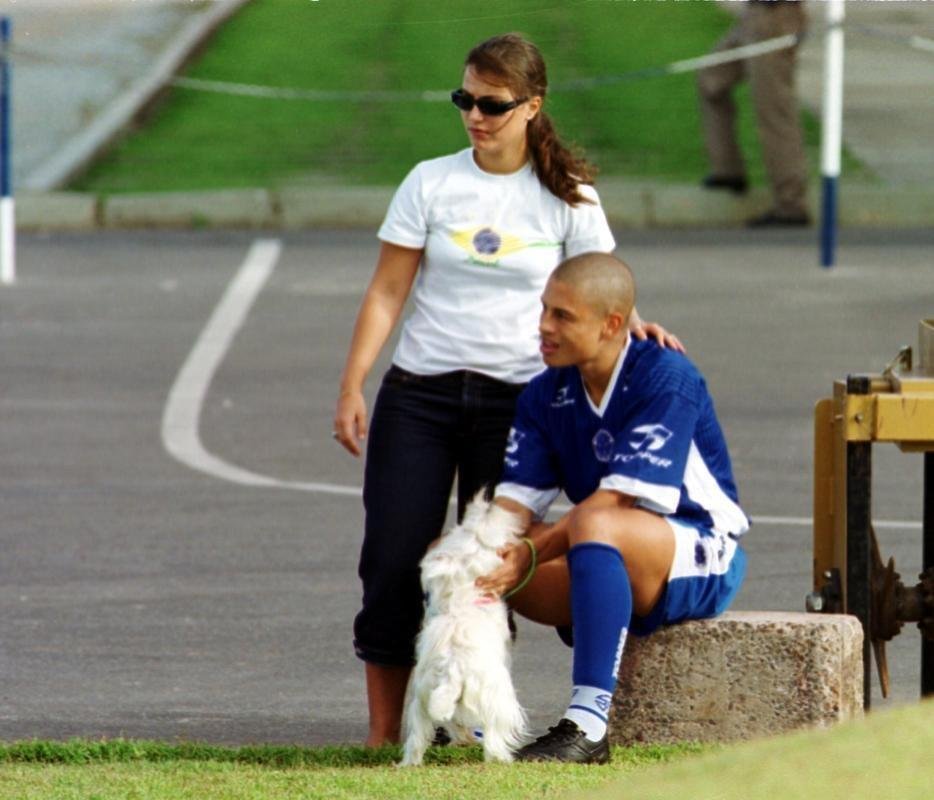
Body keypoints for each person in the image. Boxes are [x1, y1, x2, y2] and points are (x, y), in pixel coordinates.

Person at [333, 33, 682, 747]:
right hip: (420, 395)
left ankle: (484, 714)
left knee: (494, 566)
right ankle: (387, 732)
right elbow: (387, 290)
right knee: (395, 558)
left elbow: (601, 293)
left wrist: (640, 331)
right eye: (465, 100)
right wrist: (353, 383)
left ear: (531, 106)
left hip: (523, 406)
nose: (475, 116)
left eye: (492, 104)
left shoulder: (568, 199)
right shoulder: (430, 181)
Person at [477, 251, 748, 764]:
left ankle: (588, 724)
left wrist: (526, 554)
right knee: (463, 551)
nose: (544, 326)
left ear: (612, 325)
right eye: (543, 310)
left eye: (562, 316)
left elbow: (611, 503)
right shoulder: (543, 393)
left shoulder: (665, 375)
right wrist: (481, 550)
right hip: (601, 552)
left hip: (697, 551)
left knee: (594, 521)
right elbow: (511, 509)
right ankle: (469, 715)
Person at [697, 0, 810, 227]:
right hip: (754, 14)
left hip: (776, 15)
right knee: (711, 80)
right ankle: (728, 171)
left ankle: (791, 204)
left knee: (774, 110)